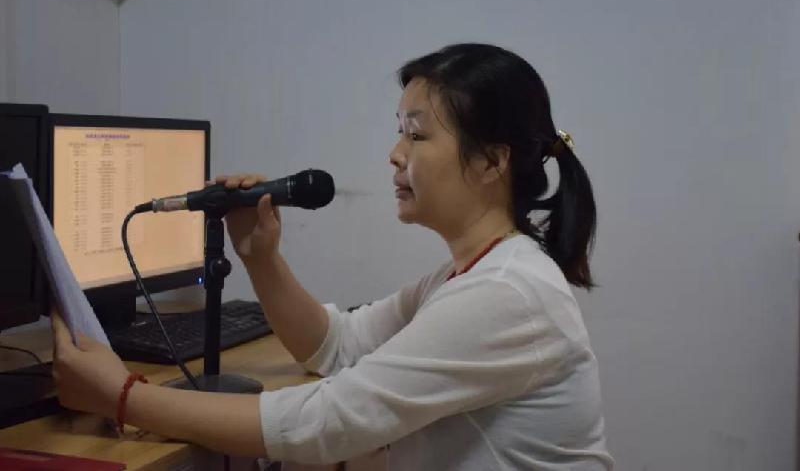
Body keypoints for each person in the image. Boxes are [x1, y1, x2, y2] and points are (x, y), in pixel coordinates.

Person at [51, 43, 614, 470]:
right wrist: (260, 256)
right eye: (399, 133)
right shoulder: (465, 275)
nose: (394, 154)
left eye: (417, 136)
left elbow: (328, 422)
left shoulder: (506, 295)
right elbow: (337, 346)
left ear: (492, 161)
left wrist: (123, 397)